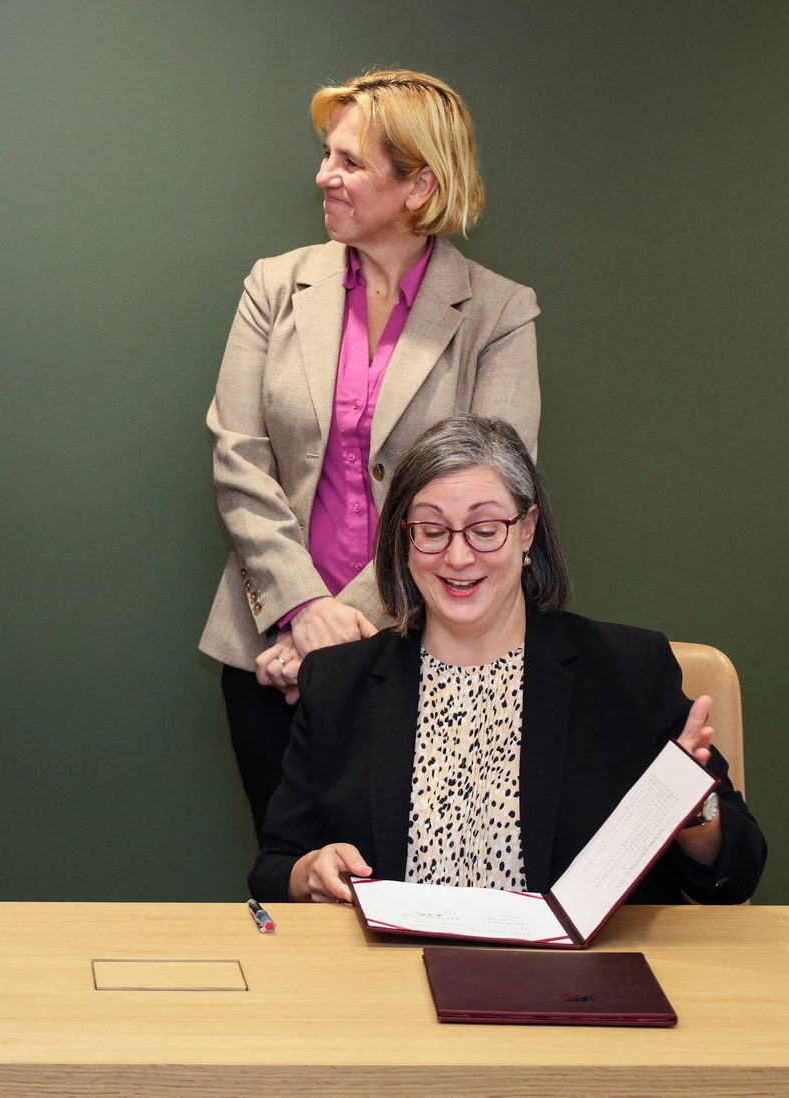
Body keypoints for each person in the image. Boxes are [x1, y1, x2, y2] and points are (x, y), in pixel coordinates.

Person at [201, 69, 541, 841]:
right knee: (292, 874)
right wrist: (298, 611)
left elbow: (485, 494)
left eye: (349, 162)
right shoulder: (275, 287)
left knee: (414, 877)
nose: (324, 176)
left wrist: (340, 625)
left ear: (419, 184)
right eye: (328, 155)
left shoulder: (499, 312)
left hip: (431, 647)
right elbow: (238, 456)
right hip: (270, 656)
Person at [249, 414, 765, 905]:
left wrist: (691, 806)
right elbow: (274, 870)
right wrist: (310, 872)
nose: (457, 557)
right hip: (391, 978)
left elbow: (735, 874)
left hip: (576, 983)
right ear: (405, 540)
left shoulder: (627, 670)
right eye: (432, 531)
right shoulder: (340, 682)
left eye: (485, 528)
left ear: (527, 529)